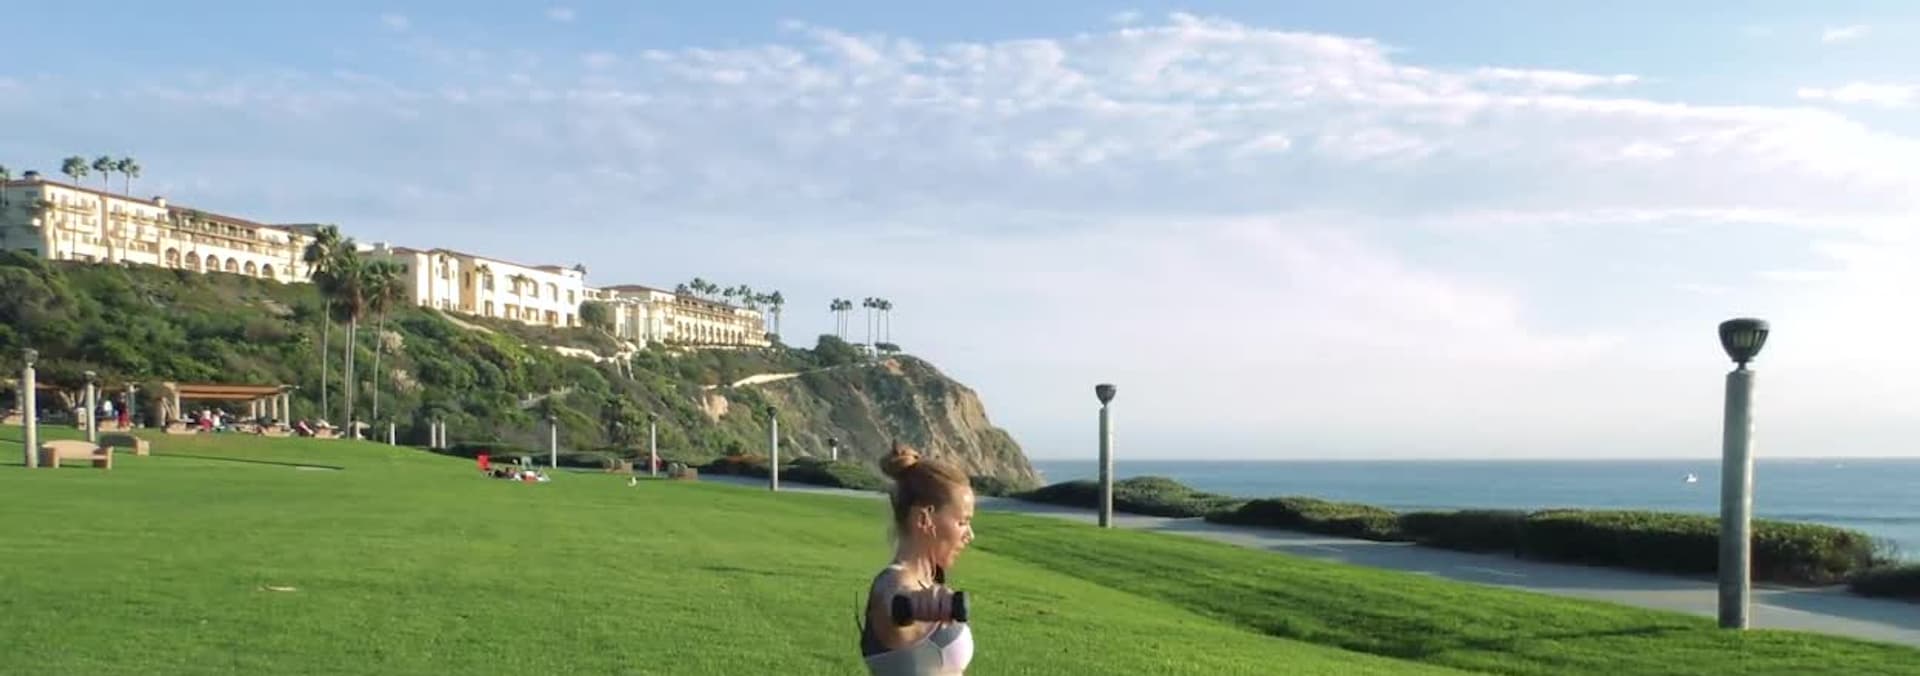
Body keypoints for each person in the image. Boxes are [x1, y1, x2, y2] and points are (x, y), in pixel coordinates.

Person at [857, 442, 976, 675]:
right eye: (962, 522)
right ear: (924, 519)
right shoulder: (893, 583)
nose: (970, 535)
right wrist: (917, 602)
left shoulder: (927, 579)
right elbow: (891, 599)